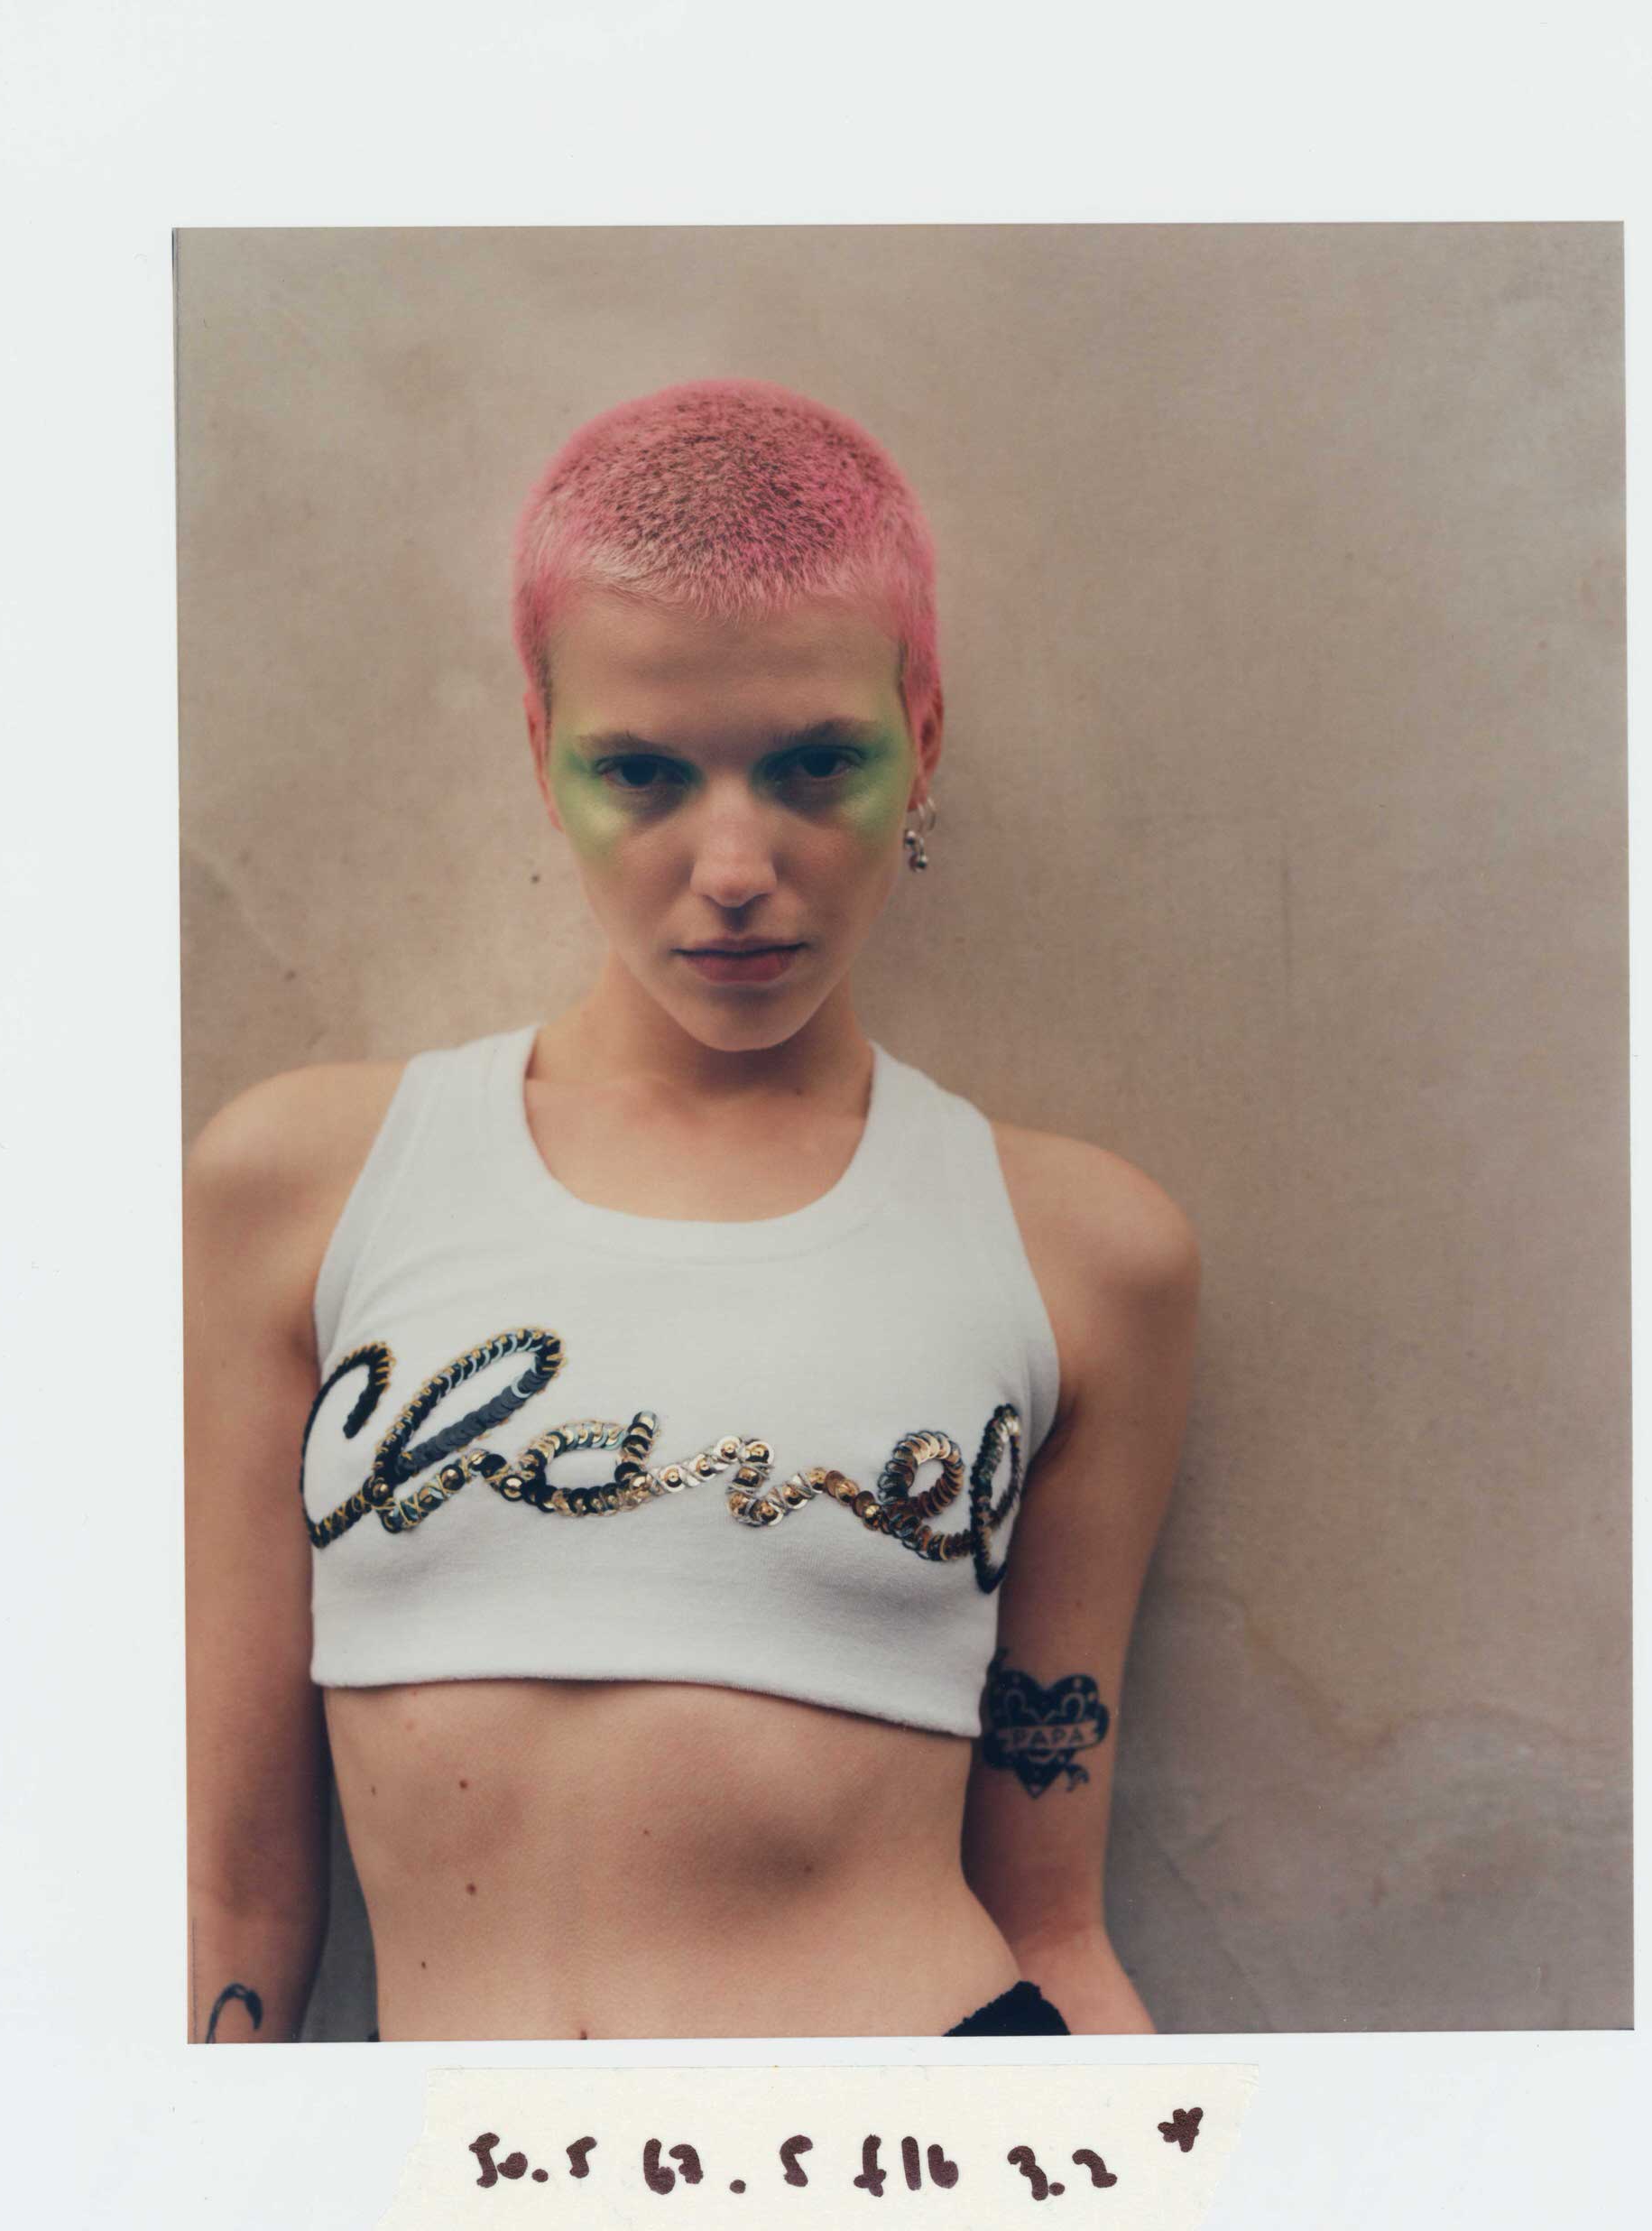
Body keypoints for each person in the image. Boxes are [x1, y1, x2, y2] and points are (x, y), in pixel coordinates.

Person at [184, 378, 1200, 2042]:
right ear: (543, 754)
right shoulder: (303, 1188)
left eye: (818, 764)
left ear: (922, 737)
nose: (734, 866)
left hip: (920, 2139)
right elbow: (232, 1902)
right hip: (465, 2158)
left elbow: (1052, 1921)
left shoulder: (1083, 1256)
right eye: (643, 772)